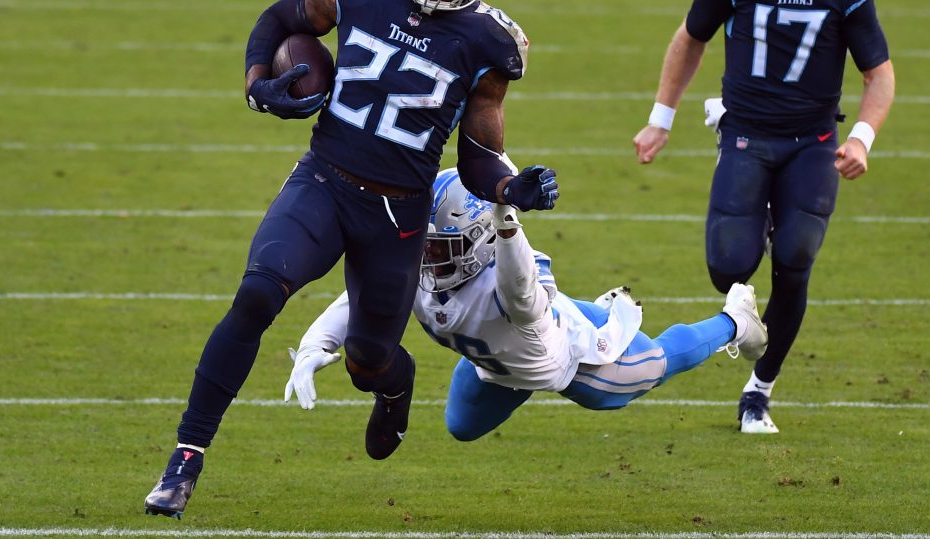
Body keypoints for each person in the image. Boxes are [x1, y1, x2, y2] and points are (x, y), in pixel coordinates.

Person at [144, 0, 561, 519]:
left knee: (368, 361)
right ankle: (185, 457)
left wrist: (510, 188)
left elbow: (478, 155)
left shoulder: (486, 43)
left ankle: (394, 383)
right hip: (325, 181)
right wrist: (261, 87)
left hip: (397, 216)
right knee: (258, 293)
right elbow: (279, 20)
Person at [633, 0, 895, 434]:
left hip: (812, 141)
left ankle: (760, 388)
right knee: (729, 268)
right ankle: (752, 295)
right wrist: (661, 117)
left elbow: (878, 73)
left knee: (796, 258)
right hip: (746, 132)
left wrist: (861, 138)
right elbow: (690, 38)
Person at [284, 169, 768, 439]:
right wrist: (312, 346)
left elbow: (520, 293)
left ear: (480, 238)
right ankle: (529, 354)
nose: (426, 259)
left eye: (438, 247)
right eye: (423, 246)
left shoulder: (511, 272)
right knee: (461, 427)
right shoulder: (425, 263)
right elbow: (361, 299)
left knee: (652, 367)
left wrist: (508, 222)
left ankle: (734, 320)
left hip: (567, 360)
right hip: (497, 363)